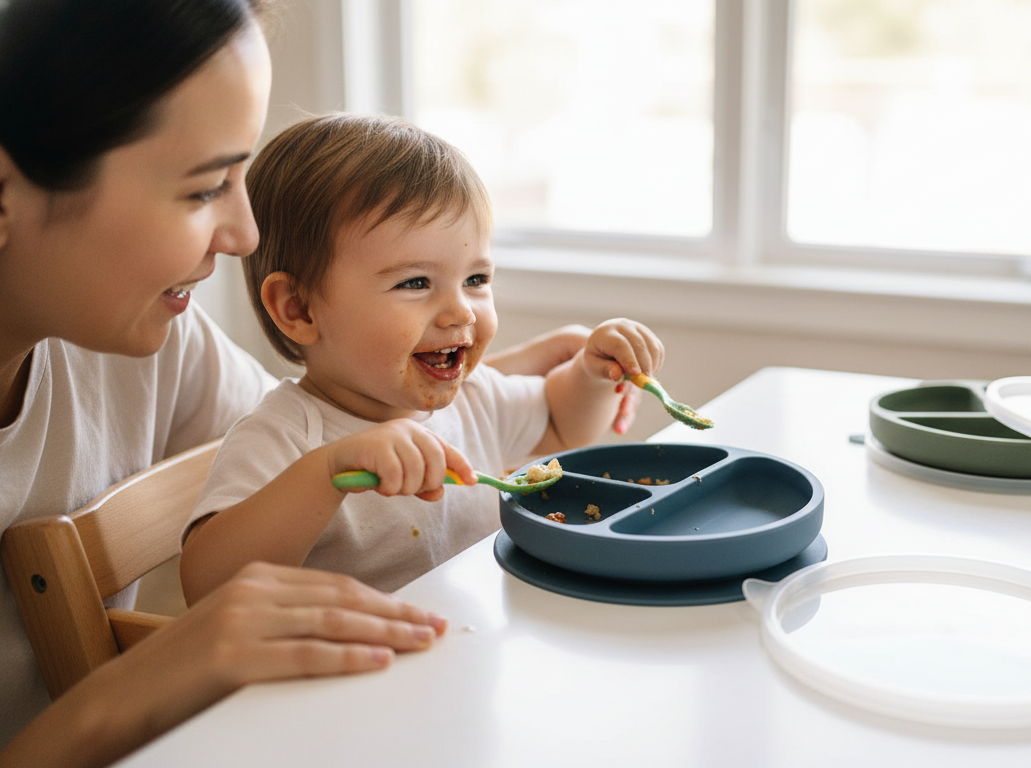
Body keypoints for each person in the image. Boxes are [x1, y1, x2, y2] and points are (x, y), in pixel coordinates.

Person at [0, 2, 634, 765]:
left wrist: (493, 373)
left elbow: (346, 409)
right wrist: (135, 689)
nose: (246, 236)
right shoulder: (132, 332)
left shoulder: (142, 341)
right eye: (204, 188)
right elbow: (285, 481)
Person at [178, 113, 665, 601]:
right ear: (299, 309)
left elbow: (562, 421)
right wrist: (326, 474)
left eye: (476, 280)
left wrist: (593, 373)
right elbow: (207, 585)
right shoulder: (283, 438)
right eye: (415, 282)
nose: (461, 312)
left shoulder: (474, 398)